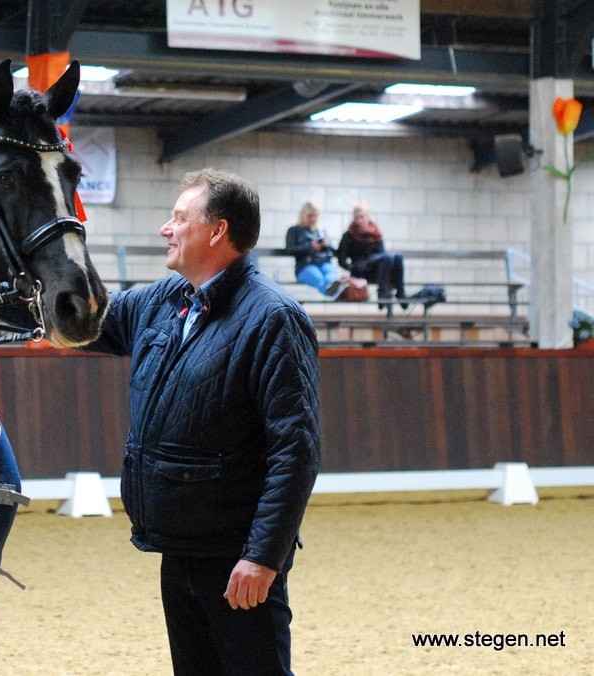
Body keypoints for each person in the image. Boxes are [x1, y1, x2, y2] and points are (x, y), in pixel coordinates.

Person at [85, 168, 320, 675]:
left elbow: (295, 449)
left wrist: (262, 556)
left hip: (237, 558)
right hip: (179, 547)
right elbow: (85, 318)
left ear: (217, 231)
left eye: (178, 218)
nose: (165, 229)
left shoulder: (272, 318)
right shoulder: (164, 301)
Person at [335, 201, 407, 309]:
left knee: (398, 257)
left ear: (367, 217)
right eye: (356, 218)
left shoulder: (376, 233)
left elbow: (383, 255)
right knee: (388, 257)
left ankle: (400, 293)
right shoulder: (348, 236)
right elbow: (341, 260)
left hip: (378, 271)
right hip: (361, 271)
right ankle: (383, 293)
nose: (359, 220)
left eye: (362, 217)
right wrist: (352, 267)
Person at [284, 201, 344, 297]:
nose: (312, 219)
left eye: (315, 216)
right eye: (309, 216)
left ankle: (333, 291)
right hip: (305, 265)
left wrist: (327, 245)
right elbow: (290, 250)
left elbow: (333, 252)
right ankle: (335, 294)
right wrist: (310, 246)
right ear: (303, 215)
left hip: (324, 262)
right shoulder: (294, 230)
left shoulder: (321, 231)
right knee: (319, 278)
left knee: (331, 275)